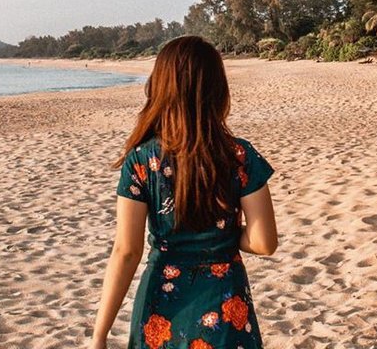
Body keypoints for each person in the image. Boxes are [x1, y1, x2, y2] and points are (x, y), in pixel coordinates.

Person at [89, 35, 278, 349]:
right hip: (225, 307)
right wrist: (225, 233)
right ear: (217, 89)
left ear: (161, 88)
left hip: (162, 306)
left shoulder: (141, 160)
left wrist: (100, 334)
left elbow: (126, 252)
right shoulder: (240, 157)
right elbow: (264, 242)